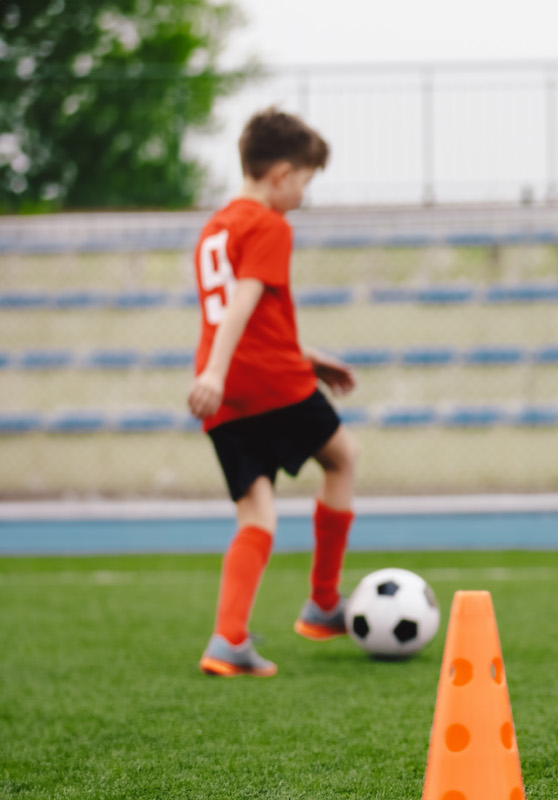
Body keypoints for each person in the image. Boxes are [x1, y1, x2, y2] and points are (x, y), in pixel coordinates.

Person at [189, 108, 360, 677]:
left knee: (255, 511)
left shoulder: (215, 228)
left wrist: (303, 358)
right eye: (307, 181)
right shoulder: (268, 225)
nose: (305, 195)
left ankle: (227, 640)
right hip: (263, 380)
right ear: (283, 174)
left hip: (229, 392)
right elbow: (243, 301)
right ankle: (323, 603)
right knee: (342, 458)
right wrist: (218, 372)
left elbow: (237, 313)